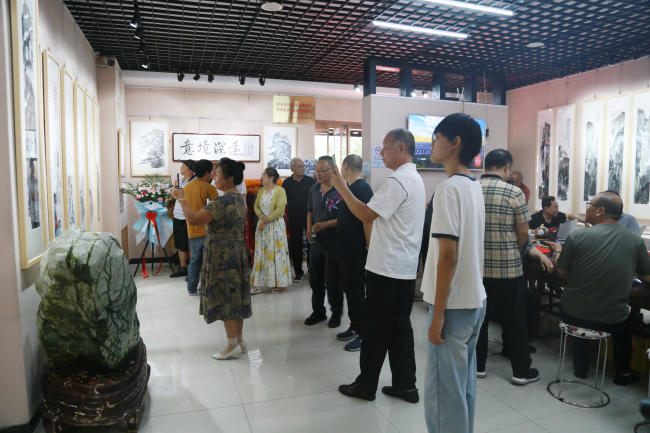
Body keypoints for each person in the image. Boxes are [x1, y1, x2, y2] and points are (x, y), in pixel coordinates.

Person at [333, 128, 425, 404]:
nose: (380, 152)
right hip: (404, 267)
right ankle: (406, 385)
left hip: (387, 268)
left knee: (375, 329)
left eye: (384, 147)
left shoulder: (398, 179)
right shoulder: (415, 178)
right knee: (399, 328)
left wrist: (341, 188)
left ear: (400, 148)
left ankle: (366, 385)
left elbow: (366, 214)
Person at [419, 114, 486, 432]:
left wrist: (437, 316)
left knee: (443, 395)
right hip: (474, 301)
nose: (431, 143)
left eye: (436, 136)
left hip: (453, 307)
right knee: (462, 389)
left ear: (455, 143)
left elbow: (448, 256)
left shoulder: (447, 189)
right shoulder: (474, 186)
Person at [546, 191, 650, 385]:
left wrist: (558, 250)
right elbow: (646, 275)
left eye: (589, 204)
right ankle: (623, 374)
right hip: (612, 318)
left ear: (600, 210)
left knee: (579, 308)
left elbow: (560, 271)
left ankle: (580, 368)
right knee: (624, 323)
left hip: (573, 313)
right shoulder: (634, 239)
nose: (586, 208)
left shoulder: (579, 236)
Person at [171, 158, 252, 360]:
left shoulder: (222, 202)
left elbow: (192, 219)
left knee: (226, 298)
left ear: (230, 178)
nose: (215, 177)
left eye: (218, 174)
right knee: (236, 296)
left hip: (223, 255)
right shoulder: (238, 199)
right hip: (237, 251)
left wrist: (181, 198)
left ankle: (232, 344)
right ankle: (239, 340)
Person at [476, 149, 539, 385]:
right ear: (506, 168)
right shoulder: (514, 192)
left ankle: (479, 366)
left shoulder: (471, 189)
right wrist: (515, 249)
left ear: (484, 167)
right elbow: (523, 231)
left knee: (479, 319)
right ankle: (521, 371)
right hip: (507, 268)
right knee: (515, 319)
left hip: (477, 267)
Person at [335, 154, 373, 352]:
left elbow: (368, 219)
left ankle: (363, 333)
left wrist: (368, 247)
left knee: (357, 292)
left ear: (345, 166)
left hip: (357, 251)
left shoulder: (361, 188)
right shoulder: (350, 188)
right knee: (350, 290)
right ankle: (355, 326)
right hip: (347, 250)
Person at [304, 156, 344, 328]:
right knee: (315, 279)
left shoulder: (342, 190)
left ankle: (336, 313)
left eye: (322, 170)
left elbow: (346, 218)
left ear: (332, 171)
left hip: (334, 241)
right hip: (316, 240)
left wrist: (326, 224)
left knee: (333, 280)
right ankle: (318, 311)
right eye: (316, 170)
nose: (318, 174)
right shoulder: (313, 189)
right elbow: (310, 210)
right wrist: (308, 226)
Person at [250, 167, 291, 295]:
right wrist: (261, 218)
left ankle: (276, 284)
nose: (262, 178)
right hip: (262, 226)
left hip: (275, 226)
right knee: (261, 254)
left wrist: (266, 220)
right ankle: (258, 284)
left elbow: (280, 209)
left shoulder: (280, 190)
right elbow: (256, 206)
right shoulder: (261, 190)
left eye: (264, 175)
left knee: (276, 253)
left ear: (271, 178)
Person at [184, 159, 219, 296]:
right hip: (207, 230)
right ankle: (203, 288)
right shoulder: (209, 188)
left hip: (191, 229)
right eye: (212, 171)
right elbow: (217, 209)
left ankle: (191, 288)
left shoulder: (187, 186)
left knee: (194, 261)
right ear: (207, 173)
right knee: (207, 262)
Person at [283, 157, 316, 282]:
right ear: (292, 168)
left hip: (310, 219)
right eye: (299, 166)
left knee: (311, 244)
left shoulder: (310, 181)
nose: (303, 168)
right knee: (296, 246)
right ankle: (298, 272)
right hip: (294, 218)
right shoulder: (287, 183)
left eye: (303, 166)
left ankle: (312, 269)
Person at [169, 160, 195, 278]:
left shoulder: (194, 182)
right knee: (180, 244)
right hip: (178, 215)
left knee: (191, 244)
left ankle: (193, 269)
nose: (181, 167)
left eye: (183, 165)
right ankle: (182, 267)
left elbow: (184, 197)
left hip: (188, 216)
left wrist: (176, 195)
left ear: (188, 168)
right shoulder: (180, 180)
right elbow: (175, 195)